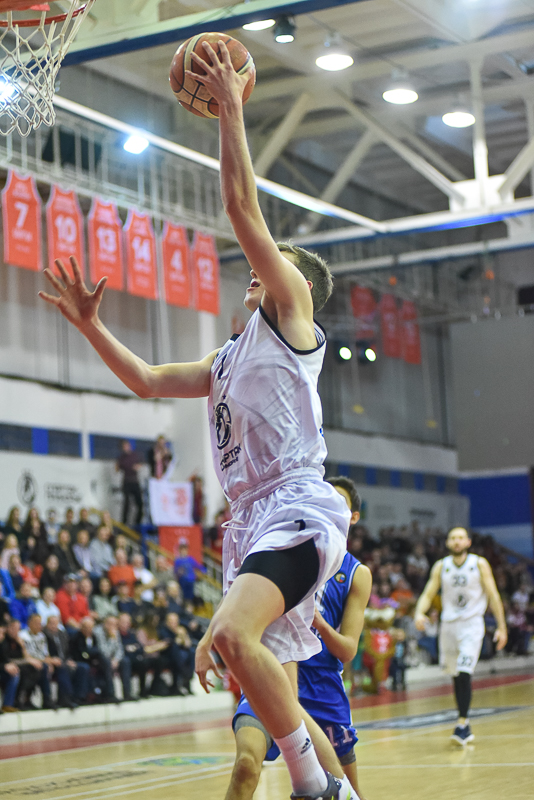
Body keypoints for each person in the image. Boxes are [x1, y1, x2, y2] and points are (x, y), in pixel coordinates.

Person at [39, 39, 353, 800]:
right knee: (251, 661)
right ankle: (329, 789)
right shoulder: (227, 358)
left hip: (295, 503)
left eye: (273, 260)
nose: (258, 264)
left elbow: (241, 209)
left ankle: (316, 790)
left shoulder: (292, 315)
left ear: (294, 283)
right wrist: (91, 328)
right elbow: (147, 380)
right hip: (247, 519)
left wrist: (231, 110)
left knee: (236, 639)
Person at [227, 477, 372, 800]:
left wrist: (318, 622)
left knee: (348, 792)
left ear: (352, 517)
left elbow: (348, 650)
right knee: (246, 766)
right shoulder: (280, 551)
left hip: (322, 689)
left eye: (338, 501)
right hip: (273, 673)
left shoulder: (355, 573)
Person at [415, 526, 508, 745]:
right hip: (448, 626)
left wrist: (502, 627)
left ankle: (463, 724)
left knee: (465, 672)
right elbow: (428, 592)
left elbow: (493, 595)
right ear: (448, 543)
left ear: (468, 542)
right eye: (453, 538)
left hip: (471, 624)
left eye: (460, 538)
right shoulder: (441, 566)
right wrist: (419, 612)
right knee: (456, 675)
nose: (456, 541)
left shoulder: (479, 563)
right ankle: (463, 722)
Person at [69, 616, 121, 704]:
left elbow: (97, 651)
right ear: (82, 627)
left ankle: (107, 693)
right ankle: (82, 696)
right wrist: (91, 655)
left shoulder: (93, 636)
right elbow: (80, 653)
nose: (89, 630)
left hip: (92, 660)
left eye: (90, 628)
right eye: (86, 627)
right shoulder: (77, 637)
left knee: (105, 665)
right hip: (80, 660)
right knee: (88, 667)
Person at [44, 615, 91, 706]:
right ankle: (65, 698)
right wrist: (51, 660)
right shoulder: (44, 635)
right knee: (64, 668)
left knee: (83, 667)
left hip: (64, 660)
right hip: (53, 661)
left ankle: (79, 697)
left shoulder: (62, 634)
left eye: (56, 623)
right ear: (47, 624)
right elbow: (45, 652)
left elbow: (68, 650)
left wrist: (69, 659)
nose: (54, 626)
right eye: (51, 623)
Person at [19, 613, 58, 709]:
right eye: (36, 623)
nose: (39, 626)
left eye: (40, 623)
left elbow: (45, 653)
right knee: (41, 668)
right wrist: (48, 661)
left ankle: (55, 699)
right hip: (27, 663)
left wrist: (50, 662)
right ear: (29, 623)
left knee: (57, 667)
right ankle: (44, 699)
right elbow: (26, 655)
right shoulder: (22, 635)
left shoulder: (42, 636)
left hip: (41, 662)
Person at [94, 615, 135, 701]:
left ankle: (127, 693)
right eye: (110, 624)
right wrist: (112, 638)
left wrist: (116, 659)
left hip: (113, 659)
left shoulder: (115, 631)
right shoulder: (98, 632)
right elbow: (104, 651)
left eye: (115, 624)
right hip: (100, 658)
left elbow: (120, 649)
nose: (113, 626)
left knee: (125, 661)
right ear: (105, 624)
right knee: (106, 662)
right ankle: (110, 694)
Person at [116, 440, 143, 526]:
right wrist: (117, 466)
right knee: (127, 504)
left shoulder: (135, 455)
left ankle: (137, 522)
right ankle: (124, 523)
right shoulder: (121, 457)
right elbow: (117, 469)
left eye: (127, 446)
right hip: (126, 482)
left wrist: (138, 466)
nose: (126, 448)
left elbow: (140, 464)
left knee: (140, 503)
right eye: (124, 447)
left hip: (135, 481)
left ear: (129, 446)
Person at [0, 622, 20, 712]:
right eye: (0, 633)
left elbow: (5, 659)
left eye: (3, 633)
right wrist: (4, 666)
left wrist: (10, 665)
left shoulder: (2, 645)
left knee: (14, 674)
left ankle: (7, 705)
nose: (2, 636)